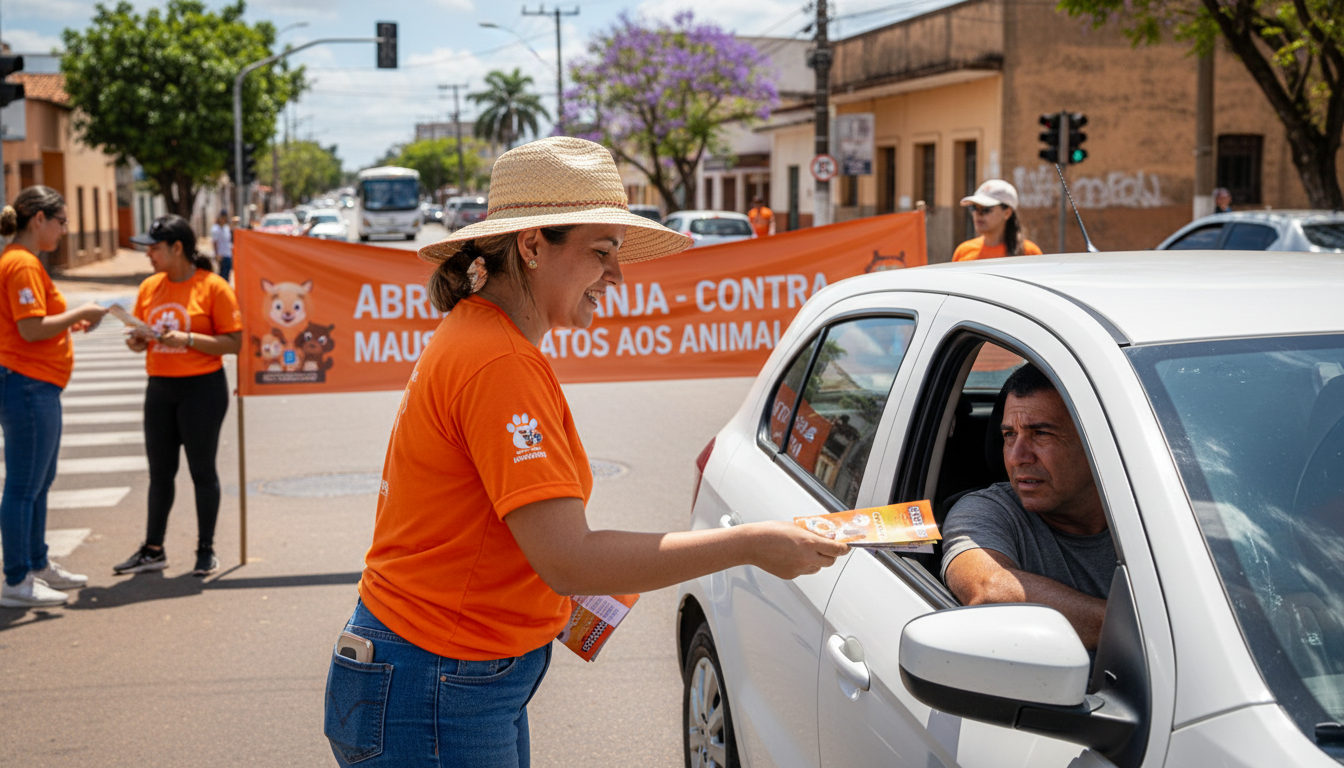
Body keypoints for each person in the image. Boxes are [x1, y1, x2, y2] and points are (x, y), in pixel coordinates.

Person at [324, 137, 849, 767]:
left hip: (439, 676)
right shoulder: (499, 361)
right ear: (531, 245)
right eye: (600, 253)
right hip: (437, 682)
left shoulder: (486, 337)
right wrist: (752, 545)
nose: (617, 275)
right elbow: (569, 559)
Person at [940, 363, 1116, 649]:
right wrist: (1143, 634)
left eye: (1041, 434)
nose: (1017, 456)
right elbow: (989, 590)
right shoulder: (984, 511)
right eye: (1009, 435)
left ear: (1096, 443)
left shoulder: (1161, 515)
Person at [114, 215, 242, 578]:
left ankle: (206, 549)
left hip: (202, 389)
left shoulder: (213, 287)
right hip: (160, 388)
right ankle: (153, 549)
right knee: (160, 473)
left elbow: (234, 342)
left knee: (202, 471)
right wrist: (138, 340)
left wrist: (188, 339)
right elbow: (138, 339)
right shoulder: (150, 287)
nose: (148, 255)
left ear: (177, 248)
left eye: (154, 248)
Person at [0, 185, 108, 608]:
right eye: (62, 222)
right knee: (25, 485)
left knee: (38, 482)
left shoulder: (23, 261)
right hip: (27, 384)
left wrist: (71, 324)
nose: (65, 231)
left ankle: (36, 564)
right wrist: (80, 313)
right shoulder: (22, 263)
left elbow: (38, 323)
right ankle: (15, 578)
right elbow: (30, 328)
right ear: (38, 220)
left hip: (35, 382)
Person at [953, 180, 1043, 261]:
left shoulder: (1029, 253)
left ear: (1007, 213)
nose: (977, 214)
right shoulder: (963, 251)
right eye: (974, 208)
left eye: (985, 209)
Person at [210, 211, 233, 283]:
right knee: (222, 276)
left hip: (228, 254)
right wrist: (216, 254)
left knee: (227, 275)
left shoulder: (226, 228)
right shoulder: (215, 229)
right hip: (221, 255)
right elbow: (215, 242)